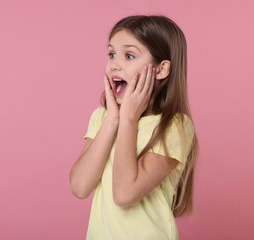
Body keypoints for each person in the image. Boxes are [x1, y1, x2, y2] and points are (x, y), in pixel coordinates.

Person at [69, 15, 199, 240]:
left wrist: (128, 118)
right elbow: (80, 187)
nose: (115, 64)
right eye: (111, 54)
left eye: (129, 55)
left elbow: (124, 193)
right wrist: (113, 120)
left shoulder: (174, 125)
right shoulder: (102, 118)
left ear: (161, 70)